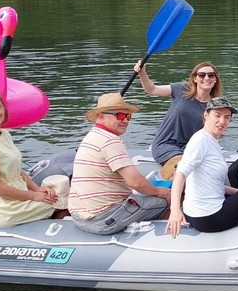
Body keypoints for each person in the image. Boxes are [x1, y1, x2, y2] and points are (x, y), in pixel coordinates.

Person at [68, 93, 170, 235]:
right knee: (168, 200)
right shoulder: (111, 141)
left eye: (127, 116)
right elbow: (135, 182)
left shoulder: (91, 136)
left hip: (79, 217)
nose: (125, 121)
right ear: (101, 116)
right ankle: (169, 239)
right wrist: (161, 192)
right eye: (119, 116)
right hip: (104, 218)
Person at [0, 88, 68, 227]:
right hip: (6, 207)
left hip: (21, 196)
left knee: (62, 192)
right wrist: (34, 196)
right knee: (67, 200)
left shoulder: (4, 134)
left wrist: (37, 189)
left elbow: (16, 171)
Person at [167, 98, 238, 237]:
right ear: (206, 115)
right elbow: (181, 173)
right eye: (218, 115)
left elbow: (209, 180)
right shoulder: (200, 140)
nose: (222, 121)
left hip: (199, 213)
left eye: (227, 117)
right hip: (211, 218)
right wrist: (175, 210)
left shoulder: (210, 139)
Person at [135, 60, 224, 180]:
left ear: (215, 79)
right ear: (195, 78)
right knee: (186, 168)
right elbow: (152, 89)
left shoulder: (214, 106)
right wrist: (142, 73)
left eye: (211, 75)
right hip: (164, 144)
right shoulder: (181, 89)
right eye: (202, 75)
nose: (206, 78)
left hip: (188, 149)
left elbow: (211, 136)